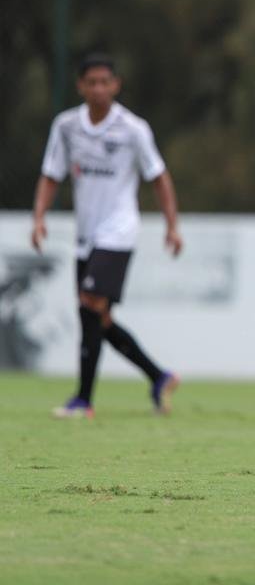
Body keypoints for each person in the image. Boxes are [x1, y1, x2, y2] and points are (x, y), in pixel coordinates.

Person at [33, 53, 183, 419]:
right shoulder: (66, 126)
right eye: (92, 82)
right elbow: (51, 174)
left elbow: (159, 177)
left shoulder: (133, 129)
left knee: (88, 302)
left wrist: (172, 224)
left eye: (105, 82)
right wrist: (38, 218)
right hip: (86, 235)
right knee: (98, 318)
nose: (99, 88)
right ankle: (158, 376)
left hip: (118, 231)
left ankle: (83, 401)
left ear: (116, 85)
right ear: (81, 86)